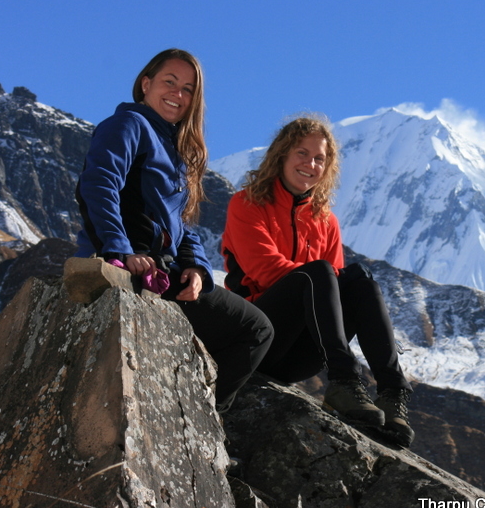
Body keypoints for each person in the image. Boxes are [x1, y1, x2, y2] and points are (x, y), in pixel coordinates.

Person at [75, 48, 273, 413]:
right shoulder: (128, 125)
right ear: (146, 84)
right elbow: (98, 184)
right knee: (254, 330)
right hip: (132, 263)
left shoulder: (175, 150)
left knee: (255, 329)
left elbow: (178, 225)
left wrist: (196, 268)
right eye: (170, 82)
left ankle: (193, 423)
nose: (178, 94)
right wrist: (119, 251)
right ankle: (201, 425)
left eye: (188, 90)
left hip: (164, 270)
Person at [221, 116, 415, 447]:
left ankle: (392, 394)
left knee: (361, 280)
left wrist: (333, 282)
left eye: (320, 158)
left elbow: (337, 296)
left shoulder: (325, 220)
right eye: (301, 153)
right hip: (256, 341)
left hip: (298, 357)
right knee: (321, 272)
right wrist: (321, 277)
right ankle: (343, 379)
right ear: (281, 154)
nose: (310, 164)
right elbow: (265, 269)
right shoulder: (247, 204)